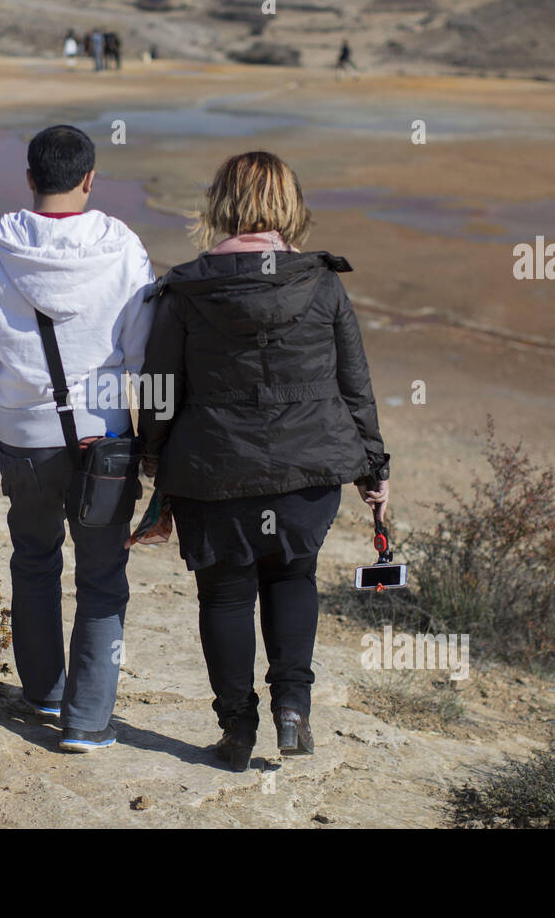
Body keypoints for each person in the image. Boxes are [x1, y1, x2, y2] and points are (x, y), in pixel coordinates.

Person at [137, 151, 390, 772]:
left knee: (224, 596)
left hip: (214, 473)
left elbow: (158, 387)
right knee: (292, 578)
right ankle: (293, 709)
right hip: (309, 471)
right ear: (288, 206)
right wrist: (373, 468)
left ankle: (238, 731)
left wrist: (153, 465)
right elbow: (354, 381)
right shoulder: (322, 281)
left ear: (221, 205)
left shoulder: (186, 287)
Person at [0, 125, 156, 753]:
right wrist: (151, 443)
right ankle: (87, 722)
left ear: (30, 178)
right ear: (90, 179)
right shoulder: (123, 249)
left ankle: (43, 694)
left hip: (22, 443)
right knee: (102, 576)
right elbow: (142, 359)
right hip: (106, 443)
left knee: (34, 563)